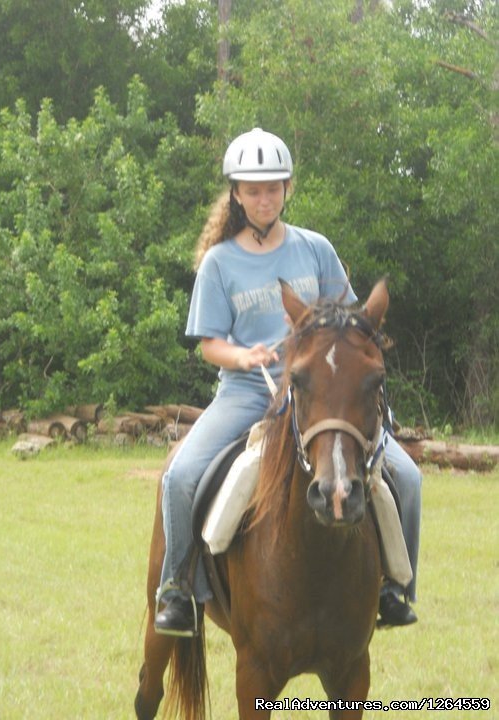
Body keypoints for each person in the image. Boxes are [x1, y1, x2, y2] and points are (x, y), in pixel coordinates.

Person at [154, 128, 421, 636]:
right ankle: (178, 591)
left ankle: (394, 588)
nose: (262, 198)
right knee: (181, 474)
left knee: (407, 478)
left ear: (287, 189)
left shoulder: (314, 248)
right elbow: (209, 342)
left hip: (320, 395)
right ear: (235, 193)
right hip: (248, 390)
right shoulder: (219, 263)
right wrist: (241, 354)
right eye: (252, 190)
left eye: (272, 187)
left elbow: (348, 318)